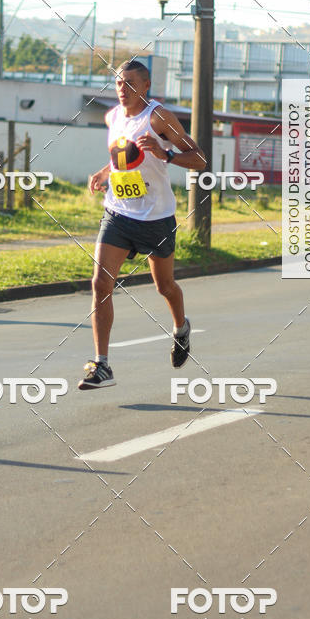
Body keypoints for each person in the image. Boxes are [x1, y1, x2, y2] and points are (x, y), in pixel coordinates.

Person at [78, 60, 206, 390]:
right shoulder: (113, 116)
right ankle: (102, 364)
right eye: (119, 83)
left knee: (164, 286)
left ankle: (181, 328)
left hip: (156, 217)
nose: (122, 89)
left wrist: (168, 157)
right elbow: (121, 154)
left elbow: (199, 158)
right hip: (118, 213)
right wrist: (105, 173)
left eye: (130, 83)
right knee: (100, 284)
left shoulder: (159, 117)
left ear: (145, 86)